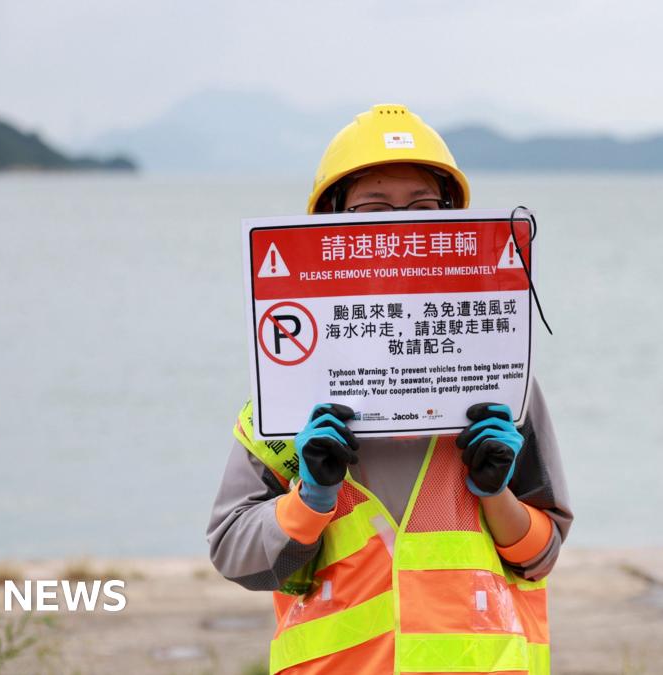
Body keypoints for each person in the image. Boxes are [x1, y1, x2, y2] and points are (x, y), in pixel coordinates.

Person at [207, 104, 573, 675]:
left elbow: (541, 554)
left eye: (424, 209)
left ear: (454, 221)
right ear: (329, 222)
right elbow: (235, 553)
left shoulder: (497, 378)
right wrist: (311, 500)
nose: (400, 230)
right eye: (373, 208)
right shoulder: (288, 390)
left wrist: (495, 495)